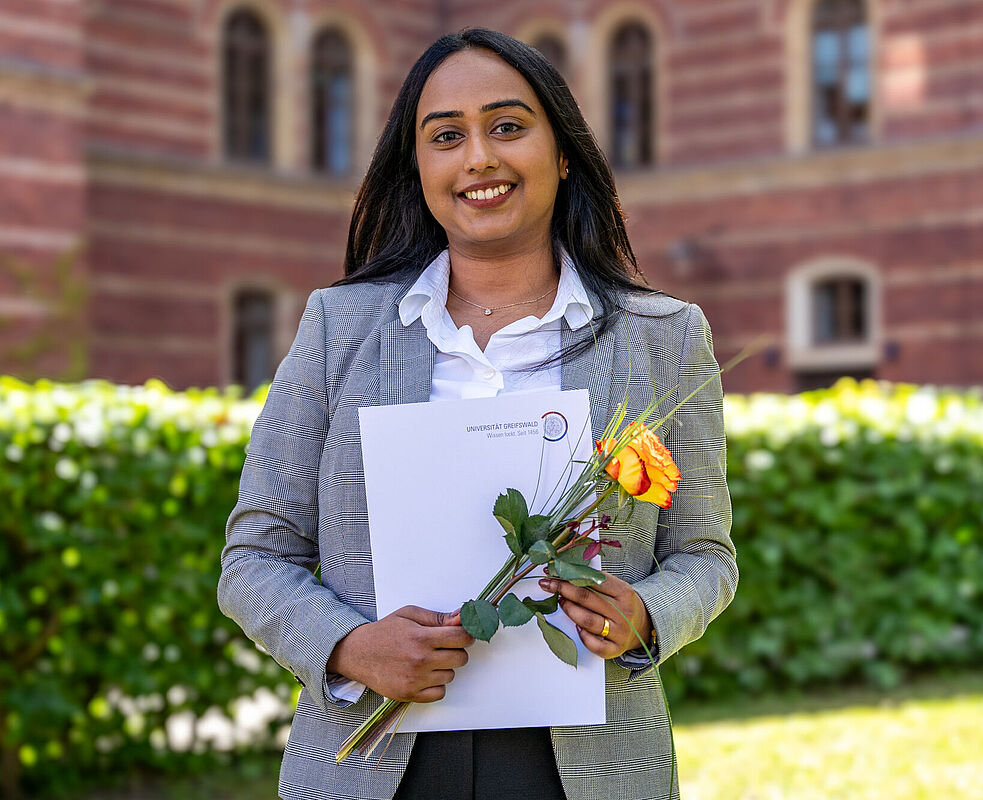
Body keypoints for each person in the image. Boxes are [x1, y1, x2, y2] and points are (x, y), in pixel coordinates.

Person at [217, 27, 735, 800]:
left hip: (587, 767)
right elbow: (254, 557)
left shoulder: (661, 337)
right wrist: (350, 645)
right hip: (372, 764)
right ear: (418, 167)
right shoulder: (340, 330)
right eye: (446, 137)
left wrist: (647, 617)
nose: (478, 159)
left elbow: (706, 556)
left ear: (562, 154)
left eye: (508, 127)